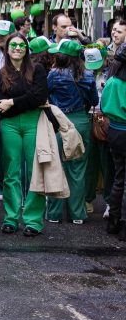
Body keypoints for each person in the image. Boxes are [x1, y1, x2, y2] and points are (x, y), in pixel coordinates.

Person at [0, 33, 49, 237]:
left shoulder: (38, 69)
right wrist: (26, 100)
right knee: (11, 172)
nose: (17, 48)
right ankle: (11, 218)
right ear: (7, 49)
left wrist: (13, 102)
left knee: (35, 172)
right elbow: (1, 107)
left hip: (34, 123)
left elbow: (40, 96)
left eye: (21, 45)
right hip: (10, 125)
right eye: (13, 45)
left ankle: (33, 221)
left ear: (26, 48)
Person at [45, 39, 98, 224]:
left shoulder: (53, 74)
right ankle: (77, 214)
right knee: (78, 167)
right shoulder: (88, 75)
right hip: (80, 121)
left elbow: (45, 95)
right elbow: (94, 100)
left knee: (55, 166)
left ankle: (54, 214)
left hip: (58, 121)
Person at [101, 44, 126, 240]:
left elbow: (103, 106)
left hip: (114, 133)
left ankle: (114, 221)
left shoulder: (111, 81)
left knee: (119, 178)